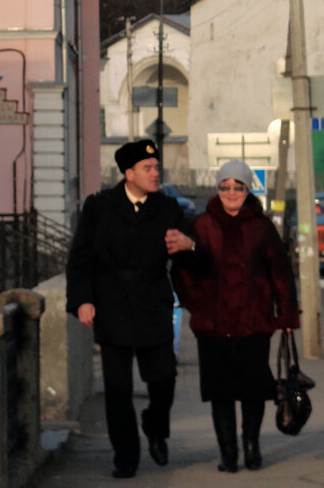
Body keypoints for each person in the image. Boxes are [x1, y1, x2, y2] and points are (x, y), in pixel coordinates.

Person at [65, 139, 196, 479]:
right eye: (148, 169)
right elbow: (81, 258)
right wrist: (83, 300)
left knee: (164, 376)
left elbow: (195, 249)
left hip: (153, 303)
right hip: (113, 305)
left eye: (156, 168)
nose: (156, 173)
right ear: (129, 173)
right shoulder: (99, 207)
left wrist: (189, 245)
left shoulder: (168, 208)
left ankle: (155, 425)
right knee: (118, 389)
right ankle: (126, 456)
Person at [173, 160, 299, 472]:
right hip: (212, 326)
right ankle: (228, 454)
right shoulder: (202, 225)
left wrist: (286, 317)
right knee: (220, 393)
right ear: (218, 189)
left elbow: (280, 274)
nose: (231, 193)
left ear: (247, 190)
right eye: (225, 186)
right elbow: (182, 273)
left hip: (253, 323)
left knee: (253, 390)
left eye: (237, 187)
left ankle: (252, 448)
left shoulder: (261, 226)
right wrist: (198, 305)